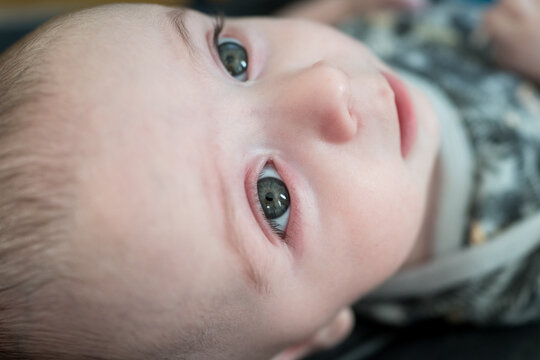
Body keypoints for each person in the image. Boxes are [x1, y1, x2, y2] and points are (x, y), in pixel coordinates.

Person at [0, 1, 537, 360]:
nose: (324, 85)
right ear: (309, 337)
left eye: (232, 59)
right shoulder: (511, 268)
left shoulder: (329, 65)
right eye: (271, 197)